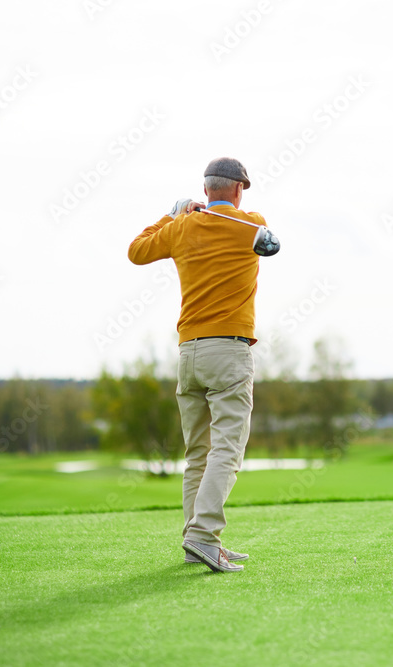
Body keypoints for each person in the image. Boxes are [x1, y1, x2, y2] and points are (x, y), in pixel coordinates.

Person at [127, 157, 275, 573]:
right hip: (228, 352)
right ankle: (203, 537)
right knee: (226, 449)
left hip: (188, 353)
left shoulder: (181, 228)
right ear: (239, 189)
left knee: (198, 454)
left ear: (205, 188)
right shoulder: (251, 223)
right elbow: (259, 229)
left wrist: (174, 212)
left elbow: (137, 251)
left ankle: (196, 540)